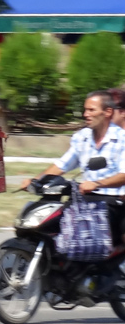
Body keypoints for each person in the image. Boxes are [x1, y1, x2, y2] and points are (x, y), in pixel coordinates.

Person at [23, 90, 125, 242]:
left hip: (114, 201)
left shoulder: (121, 139)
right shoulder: (82, 137)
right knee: (51, 222)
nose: (85, 114)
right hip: (86, 199)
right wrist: (35, 180)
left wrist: (97, 183)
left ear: (107, 112)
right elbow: (61, 165)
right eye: (85, 110)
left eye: (91, 110)